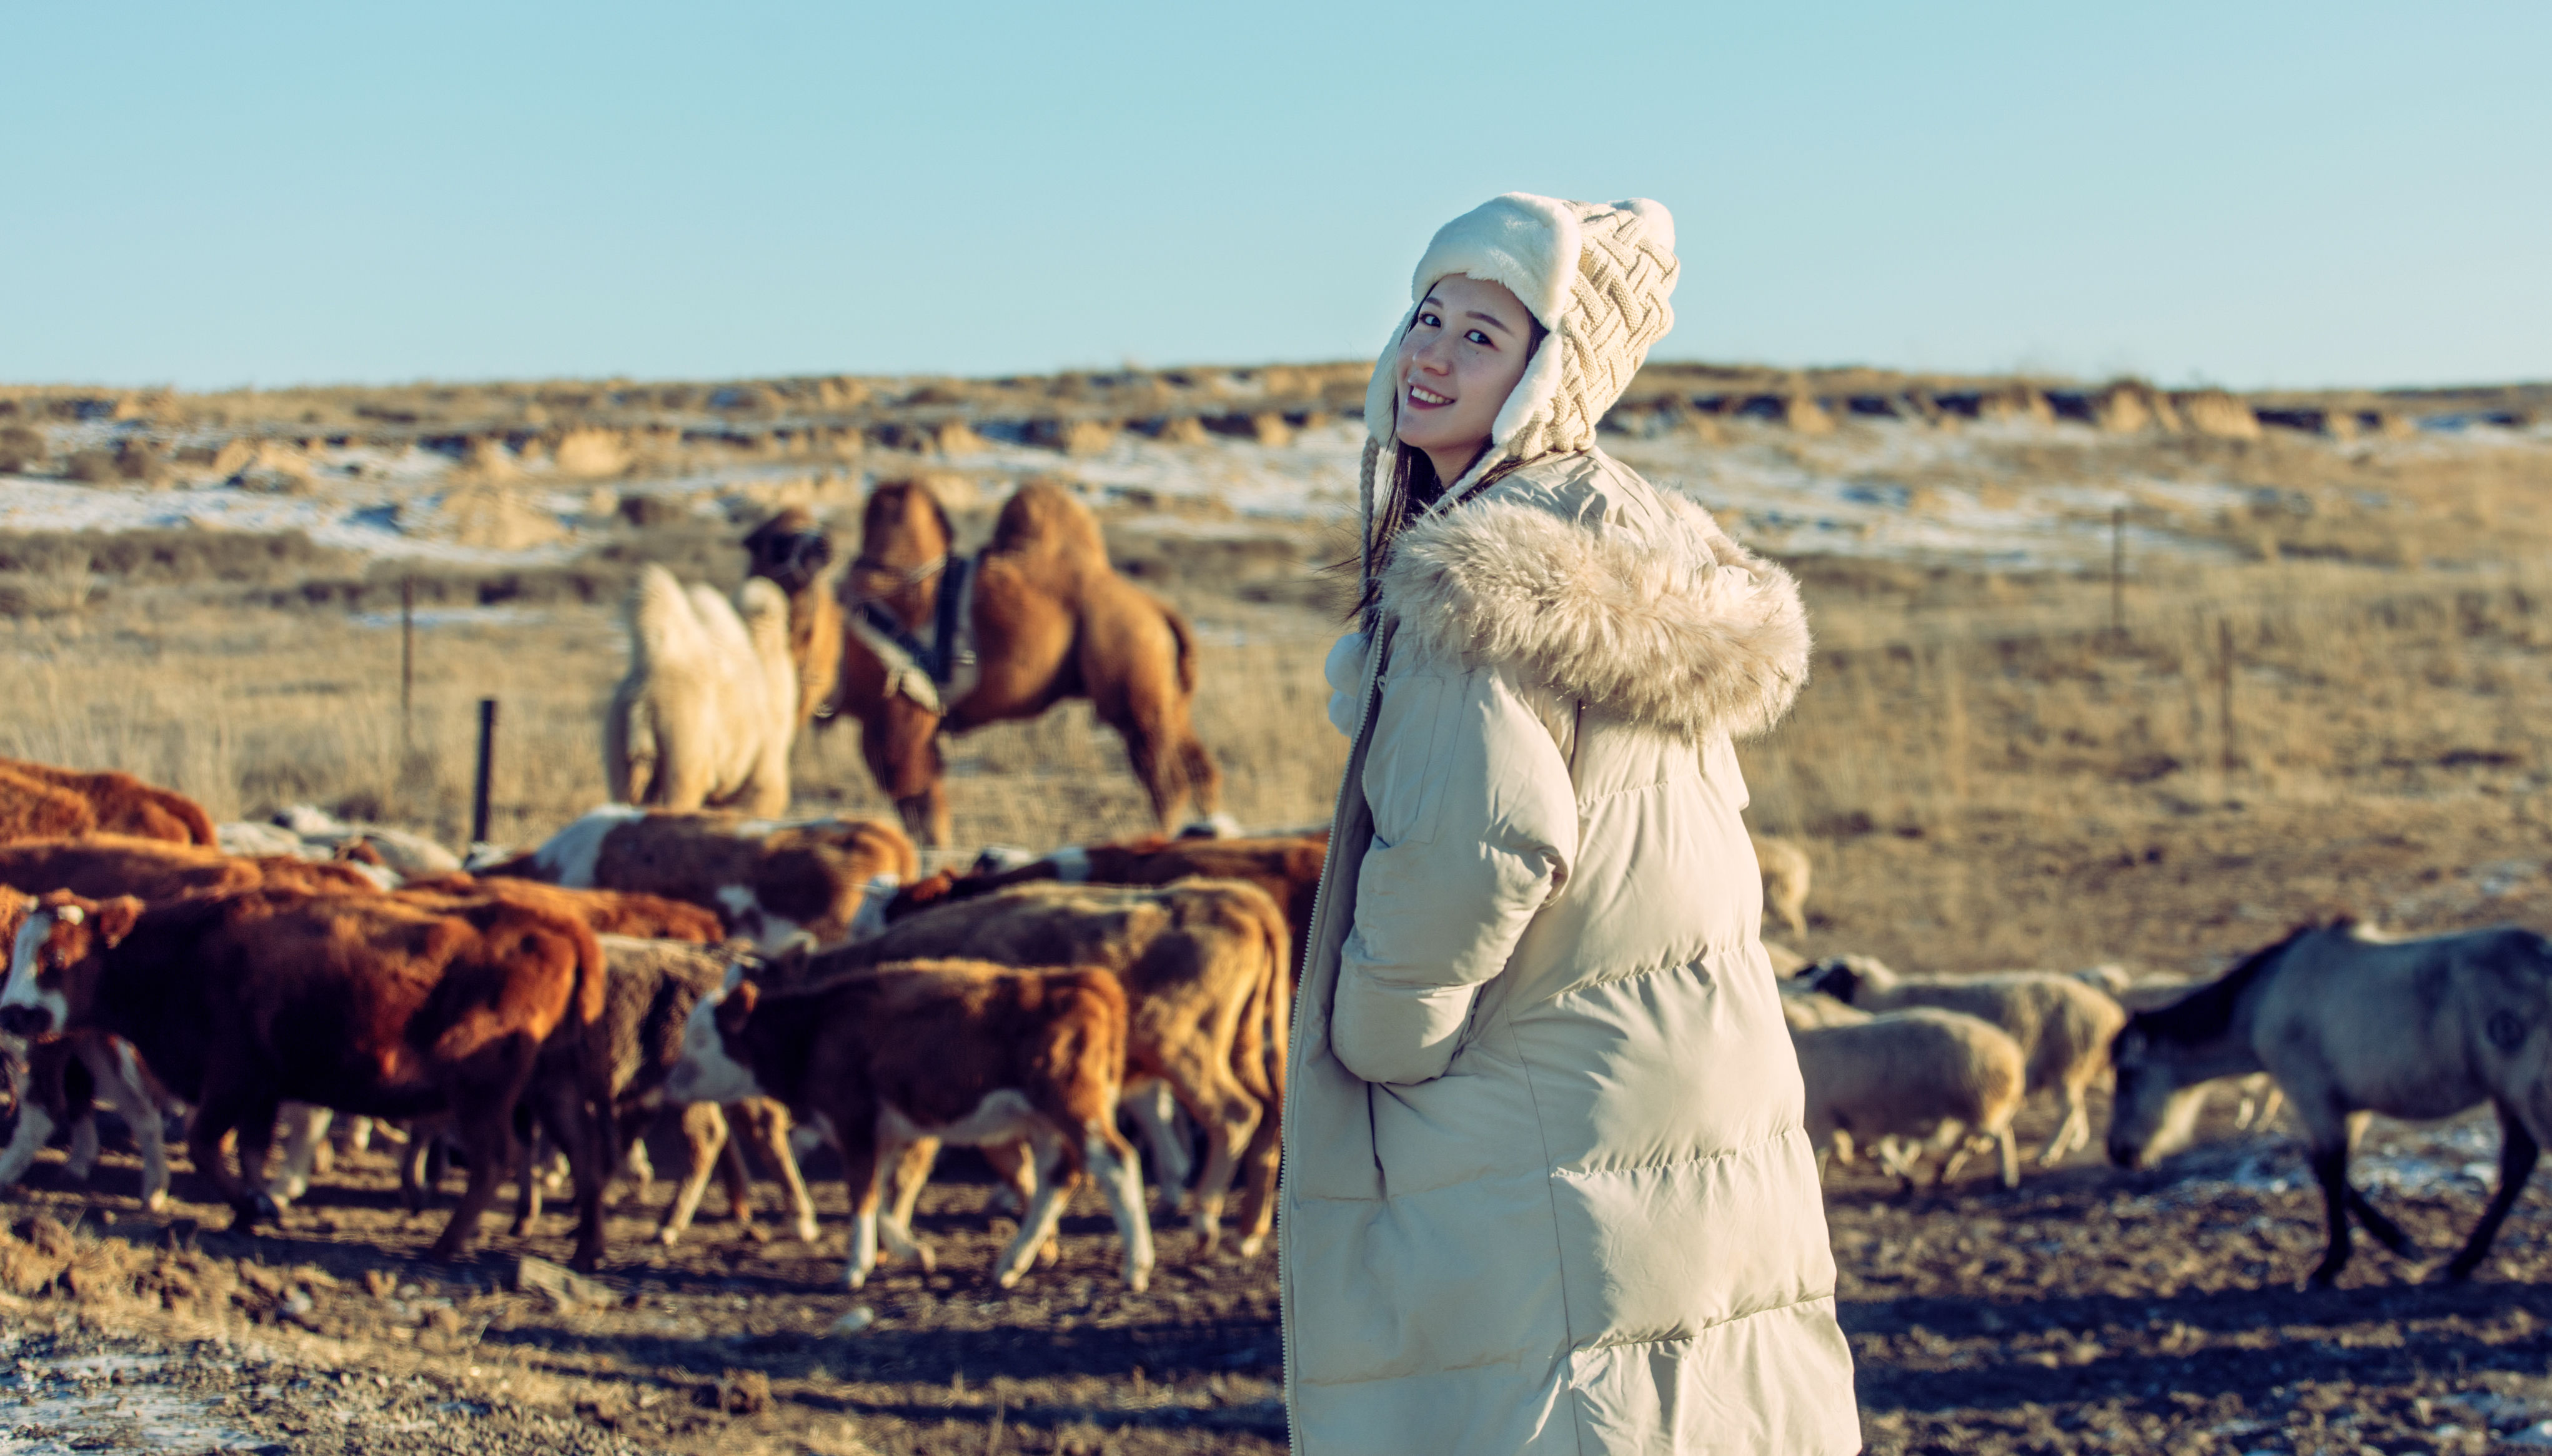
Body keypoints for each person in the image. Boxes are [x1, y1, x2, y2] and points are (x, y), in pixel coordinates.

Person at [1279, 194, 1859, 1453]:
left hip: (1538, 1091)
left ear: (1549, 369)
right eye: (1427, 316)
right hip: (1682, 1072)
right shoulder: (1638, 537)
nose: (1429, 353)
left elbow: (1482, 841)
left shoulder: (1480, 574)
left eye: (1481, 336)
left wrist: (1381, 1037)